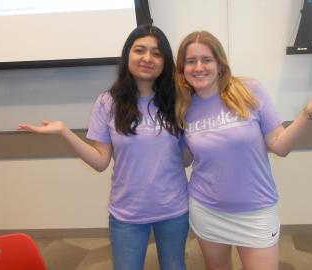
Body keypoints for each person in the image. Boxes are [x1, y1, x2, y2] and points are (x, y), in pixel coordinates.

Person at [174, 31, 312, 270]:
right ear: (183, 68)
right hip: (207, 209)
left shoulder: (248, 90)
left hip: (256, 210)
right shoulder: (183, 107)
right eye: (191, 61)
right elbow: (185, 159)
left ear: (219, 63)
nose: (199, 67)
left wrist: (308, 112)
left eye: (206, 59)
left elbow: (279, 145)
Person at [18, 25, 189, 270]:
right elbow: (100, 162)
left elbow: (185, 159)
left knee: (175, 266)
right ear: (127, 55)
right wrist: (64, 132)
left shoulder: (178, 100)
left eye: (157, 53)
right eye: (139, 50)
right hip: (127, 212)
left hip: (173, 209)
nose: (147, 58)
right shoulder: (108, 102)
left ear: (165, 61)